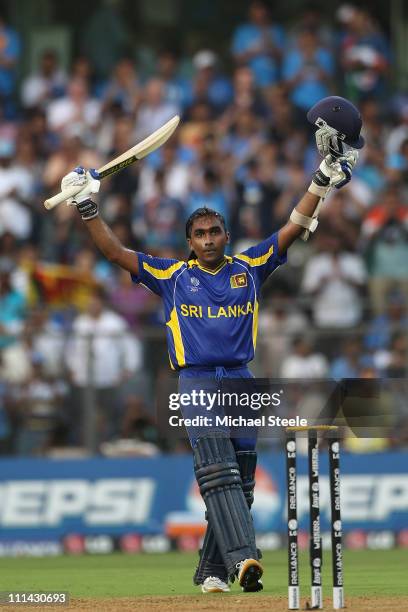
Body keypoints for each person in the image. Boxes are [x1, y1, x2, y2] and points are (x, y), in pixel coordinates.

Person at [57, 96, 361, 594]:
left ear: (226, 234)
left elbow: (292, 227)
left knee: (240, 482)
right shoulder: (171, 275)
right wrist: (88, 206)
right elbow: (113, 251)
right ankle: (245, 560)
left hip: (241, 379)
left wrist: (321, 181)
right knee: (216, 471)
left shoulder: (248, 268)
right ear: (188, 241)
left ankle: (212, 570)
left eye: (215, 231)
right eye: (198, 234)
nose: (208, 239)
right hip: (196, 380)